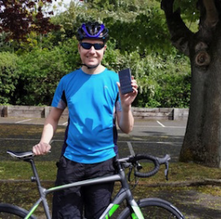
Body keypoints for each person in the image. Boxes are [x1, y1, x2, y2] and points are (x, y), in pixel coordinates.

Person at [32, 21, 138, 219]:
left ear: (104, 49)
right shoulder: (67, 81)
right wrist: (44, 142)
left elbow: (126, 128)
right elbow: (53, 118)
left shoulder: (114, 81)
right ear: (79, 47)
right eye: (87, 45)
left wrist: (126, 105)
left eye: (97, 45)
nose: (92, 50)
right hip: (71, 163)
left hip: (104, 165)